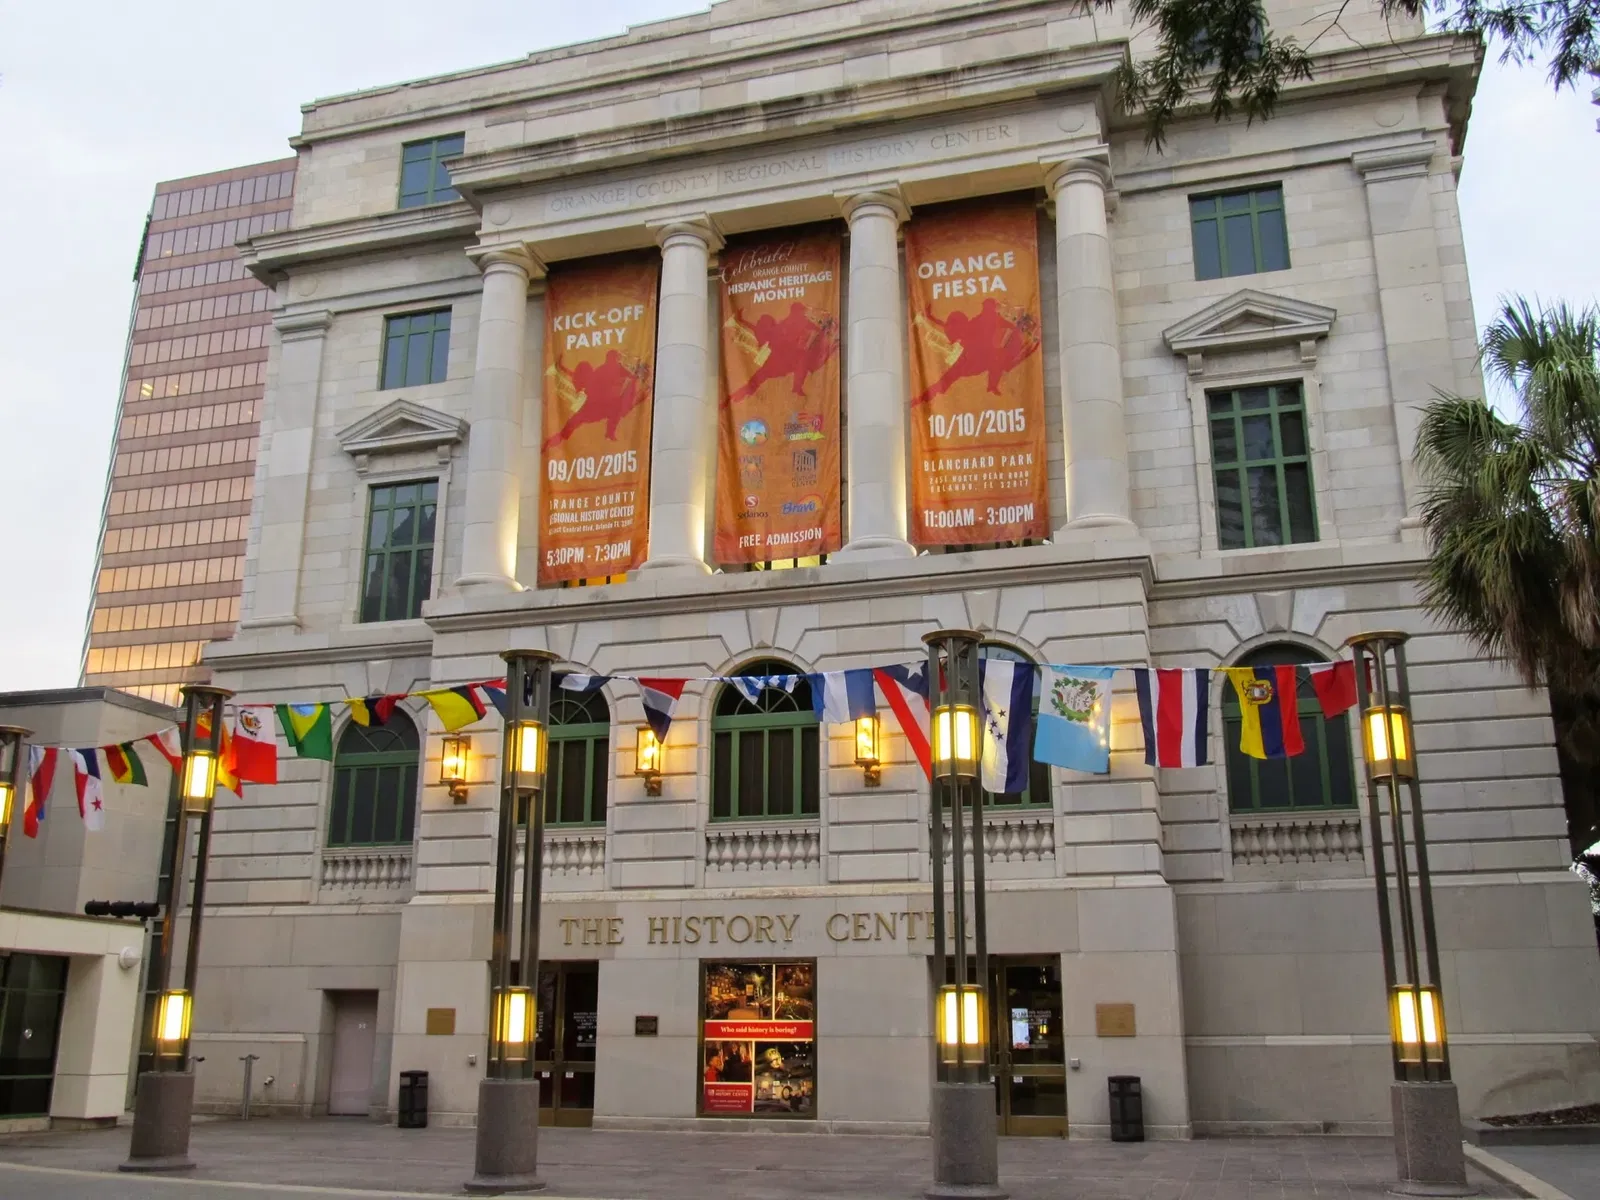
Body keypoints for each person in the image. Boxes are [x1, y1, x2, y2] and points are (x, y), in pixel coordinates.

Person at [911, 297, 1040, 406]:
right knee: (943, 379)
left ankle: (992, 386)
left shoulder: (991, 322)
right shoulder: (976, 323)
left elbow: (1010, 336)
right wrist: (931, 318)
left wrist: (1025, 337)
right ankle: (921, 398)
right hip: (968, 359)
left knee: (997, 362)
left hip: (975, 359)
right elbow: (948, 327)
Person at [726, 303, 838, 404]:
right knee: (755, 381)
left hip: (780, 362)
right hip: (778, 362)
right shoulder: (786, 325)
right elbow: (756, 330)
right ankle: (732, 399)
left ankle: (732, 399)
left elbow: (816, 328)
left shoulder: (794, 323)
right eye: (801, 311)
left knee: (756, 381)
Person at [544, 350, 649, 450]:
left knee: (619, 408)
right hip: (594, 407)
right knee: (618, 408)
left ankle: (609, 433)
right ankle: (550, 443)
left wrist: (638, 374)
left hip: (599, 407)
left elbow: (633, 376)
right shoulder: (606, 370)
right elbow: (575, 375)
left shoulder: (612, 369)